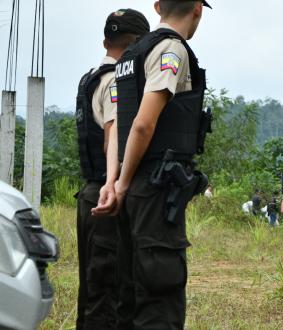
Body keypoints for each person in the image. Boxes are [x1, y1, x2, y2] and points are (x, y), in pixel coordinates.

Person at [94, 1, 212, 328]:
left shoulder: (131, 55)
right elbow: (143, 124)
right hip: (154, 190)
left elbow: (117, 125)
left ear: (158, 6)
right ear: (198, 11)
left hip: (131, 188)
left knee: (129, 296)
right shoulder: (170, 49)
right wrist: (124, 181)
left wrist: (113, 181)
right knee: (159, 298)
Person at [75, 9, 149, 330]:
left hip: (88, 196)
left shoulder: (89, 79)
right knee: (109, 290)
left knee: (90, 288)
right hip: (107, 195)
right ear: (137, 44)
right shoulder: (117, 83)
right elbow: (113, 141)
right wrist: (118, 182)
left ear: (106, 40)